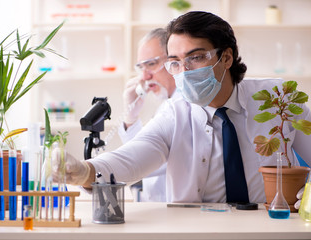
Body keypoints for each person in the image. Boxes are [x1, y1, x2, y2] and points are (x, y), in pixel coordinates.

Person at [55, 11, 311, 204]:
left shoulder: (278, 97)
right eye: (175, 62)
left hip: (267, 227)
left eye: (196, 57)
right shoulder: (174, 113)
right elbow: (134, 157)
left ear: (227, 57)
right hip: (196, 229)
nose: (184, 72)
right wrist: (85, 171)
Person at [118, 28, 178, 202]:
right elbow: (139, 152)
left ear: (174, 61)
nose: (145, 76)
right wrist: (130, 117)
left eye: (151, 64)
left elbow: (142, 161)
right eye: (141, 67)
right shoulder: (166, 104)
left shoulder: (183, 107)